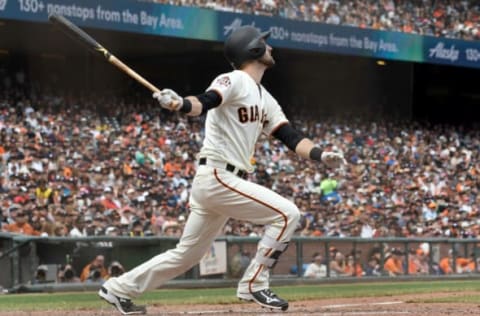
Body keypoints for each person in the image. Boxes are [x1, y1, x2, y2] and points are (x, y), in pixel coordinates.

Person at [98, 25, 346, 315]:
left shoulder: (264, 97)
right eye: (264, 44)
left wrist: (320, 154)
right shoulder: (235, 79)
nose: (270, 48)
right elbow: (205, 102)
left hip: (219, 182)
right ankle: (253, 283)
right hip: (219, 176)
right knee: (287, 214)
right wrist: (179, 103)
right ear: (253, 50)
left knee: (187, 254)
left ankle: (117, 288)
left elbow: (289, 136)